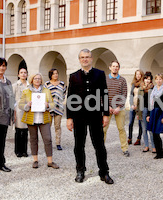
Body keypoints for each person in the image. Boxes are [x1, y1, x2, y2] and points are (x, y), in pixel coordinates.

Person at [66, 49, 113, 184]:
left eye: (87, 57)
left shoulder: (99, 74)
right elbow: (70, 98)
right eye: (82, 57)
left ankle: (104, 172)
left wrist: (105, 114)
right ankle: (80, 171)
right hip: (78, 115)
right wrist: (69, 118)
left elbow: (104, 94)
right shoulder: (74, 76)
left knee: (99, 145)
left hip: (95, 115)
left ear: (91, 59)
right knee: (79, 145)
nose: (85, 59)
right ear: (79, 60)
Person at [19, 73, 59, 169]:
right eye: (35, 79)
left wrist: (48, 105)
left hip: (44, 118)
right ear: (32, 80)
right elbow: (20, 105)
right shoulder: (26, 91)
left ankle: (50, 161)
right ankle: (35, 160)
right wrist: (27, 105)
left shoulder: (46, 91)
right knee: (33, 139)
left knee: (48, 139)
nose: (37, 80)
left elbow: (53, 104)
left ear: (41, 80)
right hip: (31, 118)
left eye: (39, 79)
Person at [103, 61, 129, 157]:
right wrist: (107, 106)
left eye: (117, 66)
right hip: (107, 107)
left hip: (120, 108)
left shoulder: (122, 80)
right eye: (113, 66)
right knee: (103, 129)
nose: (115, 68)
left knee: (121, 129)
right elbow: (102, 94)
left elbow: (124, 94)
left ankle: (125, 149)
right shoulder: (104, 79)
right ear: (110, 67)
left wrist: (118, 107)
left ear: (119, 68)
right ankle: (101, 149)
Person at [146, 74, 163, 159]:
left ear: (162, 79)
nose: (159, 81)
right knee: (153, 133)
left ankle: (160, 152)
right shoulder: (152, 90)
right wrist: (148, 114)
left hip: (161, 112)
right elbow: (150, 103)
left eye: (160, 79)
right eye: (157, 79)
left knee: (157, 132)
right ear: (155, 80)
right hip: (153, 112)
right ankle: (158, 152)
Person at [44, 69, 67, 151]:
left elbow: (63, 95)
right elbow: (44, 95)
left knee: (57, 126)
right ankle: (48, 143)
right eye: (54, 74)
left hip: (59, 108)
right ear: (50, 75)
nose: (56, 75)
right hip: (49, 108)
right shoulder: (46, 84)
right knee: (47, 127)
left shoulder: (62, 84)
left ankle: (58, 143)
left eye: (57, 73)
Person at [12, 65, 29, 158]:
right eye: (21, 72)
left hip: (28, 111)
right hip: (18, 110)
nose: (23, 74)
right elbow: (11, 99)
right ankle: (18, 151)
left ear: (27, 74)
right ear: (18, 75)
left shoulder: (30, 85)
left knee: (26, 131)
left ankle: (24, 151)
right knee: (18, 131)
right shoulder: (15, 85)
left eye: (25, 72)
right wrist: (13, 112)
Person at [137, 72, 156, 153]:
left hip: (150, 110)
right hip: (142, 110)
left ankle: (154, 146)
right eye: (146, 79)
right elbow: (138, 101)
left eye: (149, 79)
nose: (147, 81)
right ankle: (146, 146)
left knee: (151, 130)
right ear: (143, 79)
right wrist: (138, 113)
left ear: (151, 80)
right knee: (144, 129)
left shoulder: (153, 89)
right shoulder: (140, 89)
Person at [128, 70, 144, 145]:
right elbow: (131, 95)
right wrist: (131, 104)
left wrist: (138, 106)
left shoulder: (143, 84)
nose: (138, 75)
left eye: (139, 74)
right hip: (133, 106)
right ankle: (129, 138)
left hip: (140, 106)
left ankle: (138, 139)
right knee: (130, 123)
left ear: (141, 75)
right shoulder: (133, 84)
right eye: (137, 74)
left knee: (140, 123)